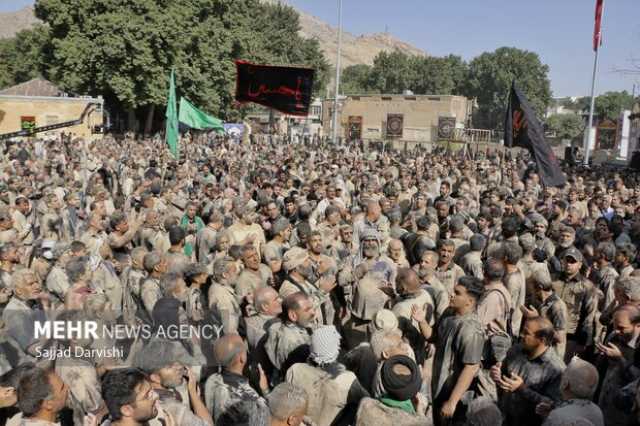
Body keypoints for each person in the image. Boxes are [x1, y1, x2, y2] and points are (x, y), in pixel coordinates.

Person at [430, 276, 485, 425]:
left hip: (454, 395)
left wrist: (452, 402)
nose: (452, 294)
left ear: (470, 301)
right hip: (438, 388)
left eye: (458, 293)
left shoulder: (471, 329)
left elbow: (471, 367)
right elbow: (434, 337)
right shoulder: (449, 312)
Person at [490, 317, 565, 426]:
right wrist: (497, 375)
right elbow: (504, 376)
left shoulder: (556, 369)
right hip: (505, 418)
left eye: (526, 333)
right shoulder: (515, 350)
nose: (521, 335)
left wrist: (523, 389)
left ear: (542, 340)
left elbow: (554, 406)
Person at [204, 334, 270, 426]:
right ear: (242, 358)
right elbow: (271, 418)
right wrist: (265, 390)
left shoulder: (211, 380)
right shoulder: (251, 399)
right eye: (244, 349)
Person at [539, 357, 603, 426]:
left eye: (563, 374)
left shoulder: (557, 416)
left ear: (565, 384)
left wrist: (550, 417)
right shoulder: (597, 411)